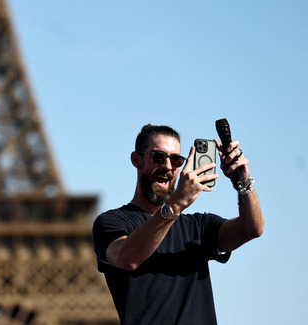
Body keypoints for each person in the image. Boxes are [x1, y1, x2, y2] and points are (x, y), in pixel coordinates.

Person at [92, 124, 263, 325]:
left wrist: (242, 181)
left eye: (175, 160)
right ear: (136, 160)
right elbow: (127, 258)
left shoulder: (198, 226)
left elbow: (251, 229)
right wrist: (176, 204)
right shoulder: (112, 222)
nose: (167, 166)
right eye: (158, 157)